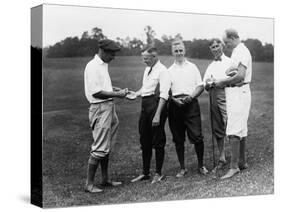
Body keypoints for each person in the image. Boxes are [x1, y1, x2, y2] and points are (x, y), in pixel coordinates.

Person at [84, 39, 129, 193]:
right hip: (100, 108)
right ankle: (89, 184)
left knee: (106, 146)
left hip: (108, 107)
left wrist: (117, 90)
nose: (114, 57)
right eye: (112, 54)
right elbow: (96, 92)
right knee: (100, 146)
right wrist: (118, 94)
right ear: (103, 51)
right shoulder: (93, 66)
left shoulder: (103, 65)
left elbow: (104, 87)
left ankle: (105, 179)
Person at [214, 29, 252, 179]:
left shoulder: (241, 50)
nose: (226, 45)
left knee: (233, 129)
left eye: (227, 42)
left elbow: (241, 76)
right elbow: (237, 71)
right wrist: (232, 69)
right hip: (237, 92)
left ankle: (234, 166)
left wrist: (222, 82)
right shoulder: (237, 51)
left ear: (233, 37)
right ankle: (242, 162)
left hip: (239, 91)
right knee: (241, 128)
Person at [167, 39, 208, 178]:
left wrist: (191, 97)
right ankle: (182, 168)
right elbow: (166, 91)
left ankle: (201, 166)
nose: (178, 53)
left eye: (180, 50)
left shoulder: (193, 67)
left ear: (184, 51)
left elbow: (200, 85)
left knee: (197, 136)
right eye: (176, 51)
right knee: (178, 139)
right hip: (175, 106)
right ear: (172, 52)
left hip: (191, 104)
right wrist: (174, 100)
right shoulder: (169, 71)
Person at [130, 46, 170, 184]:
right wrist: (136, 93)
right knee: (144, 139)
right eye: (143, 58)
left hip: (157, 105)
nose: (144, 61)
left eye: (146, 58)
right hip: (145, 105)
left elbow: (164, 94)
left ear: (154, 57)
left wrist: (158, 114)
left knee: (158, 140)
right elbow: (145, 88)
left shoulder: (163, 71)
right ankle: (145, 173)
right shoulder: (147, 69)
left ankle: (158, 173)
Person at [203, 38, 232, 171]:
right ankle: (222, 158)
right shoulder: (210, 66)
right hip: (214, 96)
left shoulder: (230, 62)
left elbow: (232, 78)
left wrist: (217, 81)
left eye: (217, 46)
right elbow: (205, 84)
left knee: (231, 124)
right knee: (218, 127)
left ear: (222, 46)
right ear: (210, 50)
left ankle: (237, 158)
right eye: (212, 47)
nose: (215, 49)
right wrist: (209, 83)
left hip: (228, 95)